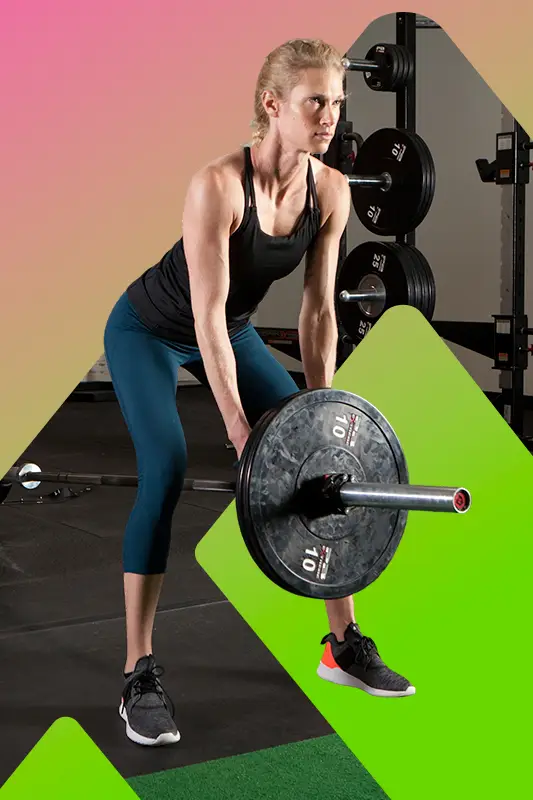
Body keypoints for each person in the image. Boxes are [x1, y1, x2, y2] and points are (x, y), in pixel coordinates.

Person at [103, 38, 414, 748]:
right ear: (273, 106)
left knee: (324, 472)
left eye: (337, 102)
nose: (330, 116)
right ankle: (137, 671)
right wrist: (242, 431)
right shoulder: (216, 185)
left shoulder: (329, 190)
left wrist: (322, 422)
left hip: (233, 331)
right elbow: (203, 318)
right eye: (315, 103)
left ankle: (343, 645)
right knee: (167, 467)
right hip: (151, 329)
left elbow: (316, 313)